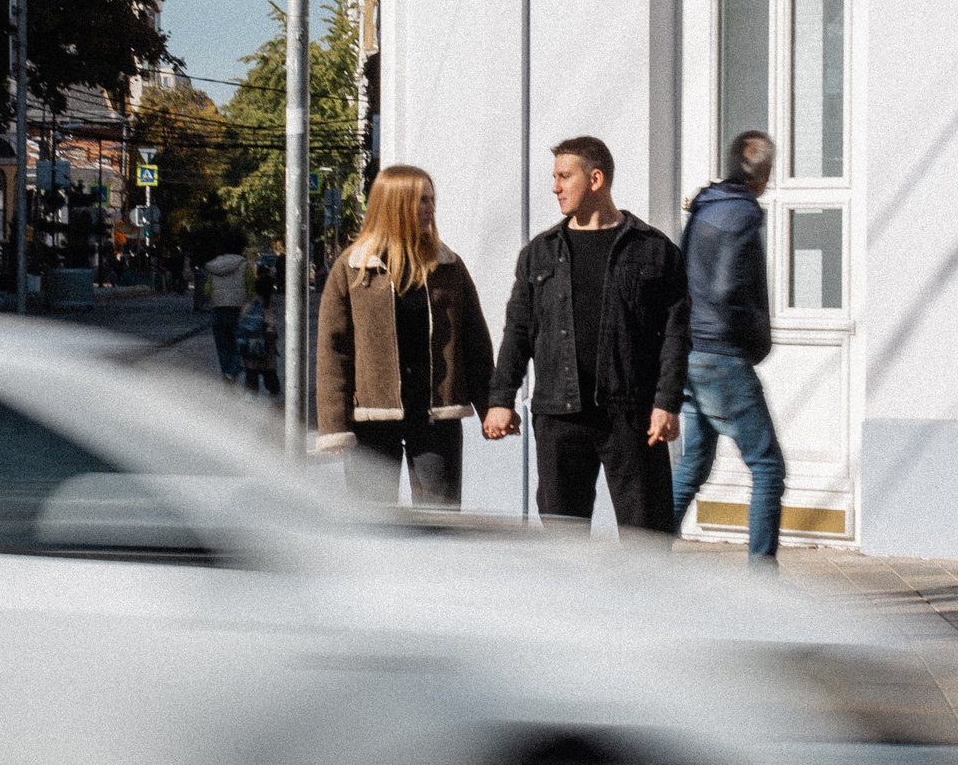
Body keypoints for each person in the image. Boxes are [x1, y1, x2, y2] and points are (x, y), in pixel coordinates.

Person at [484, 137, 689, 534]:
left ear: (595, 179)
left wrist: (667, 402)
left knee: (647, 539)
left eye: (565, 176)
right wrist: (500, 400)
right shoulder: (539, 254)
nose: (555, 187)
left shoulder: (654, 251)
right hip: (560, 416)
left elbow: (677, 336)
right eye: (554, 177)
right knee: (565, 546)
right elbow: (518, 332)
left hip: (632, 417)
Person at [316, 165, 495, 509]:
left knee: (439, 523)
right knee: (373, 524)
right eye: (421, 200)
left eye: (432, 199)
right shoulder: (352, 269)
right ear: (394, 206)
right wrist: (334, 425)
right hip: (371, 418)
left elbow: (475, 343)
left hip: (435, 417)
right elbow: (333, 352)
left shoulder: (449, 266)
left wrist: (491, 406)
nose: (430, 208)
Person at [672, 131, 786, 568]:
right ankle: (762, 578)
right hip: (721, 355)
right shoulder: (741, 214)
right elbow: (727, 288)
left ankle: (643, 564)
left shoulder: (705, 207)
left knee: (693, 466)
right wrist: (752, 337)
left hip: (694, 351)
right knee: (767, 466)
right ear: (765, 174)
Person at [201, 245, 249, 383]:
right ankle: (233, 371)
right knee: (240, 343)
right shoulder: (244, 266)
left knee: (222, 345)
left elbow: (207, 290)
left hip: (218, 310)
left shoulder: (214, 268)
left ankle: (225, 371)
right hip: (238, 310)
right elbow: (251, 286)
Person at [239, 276, 282, 399]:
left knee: (251, 373)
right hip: (266, 344)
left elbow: (241, 322)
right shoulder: (270, 306)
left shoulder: (248, 305)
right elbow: (271, 324)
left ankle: (250, 397)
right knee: (270, 374)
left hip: (249, 344)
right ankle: (275, 398)